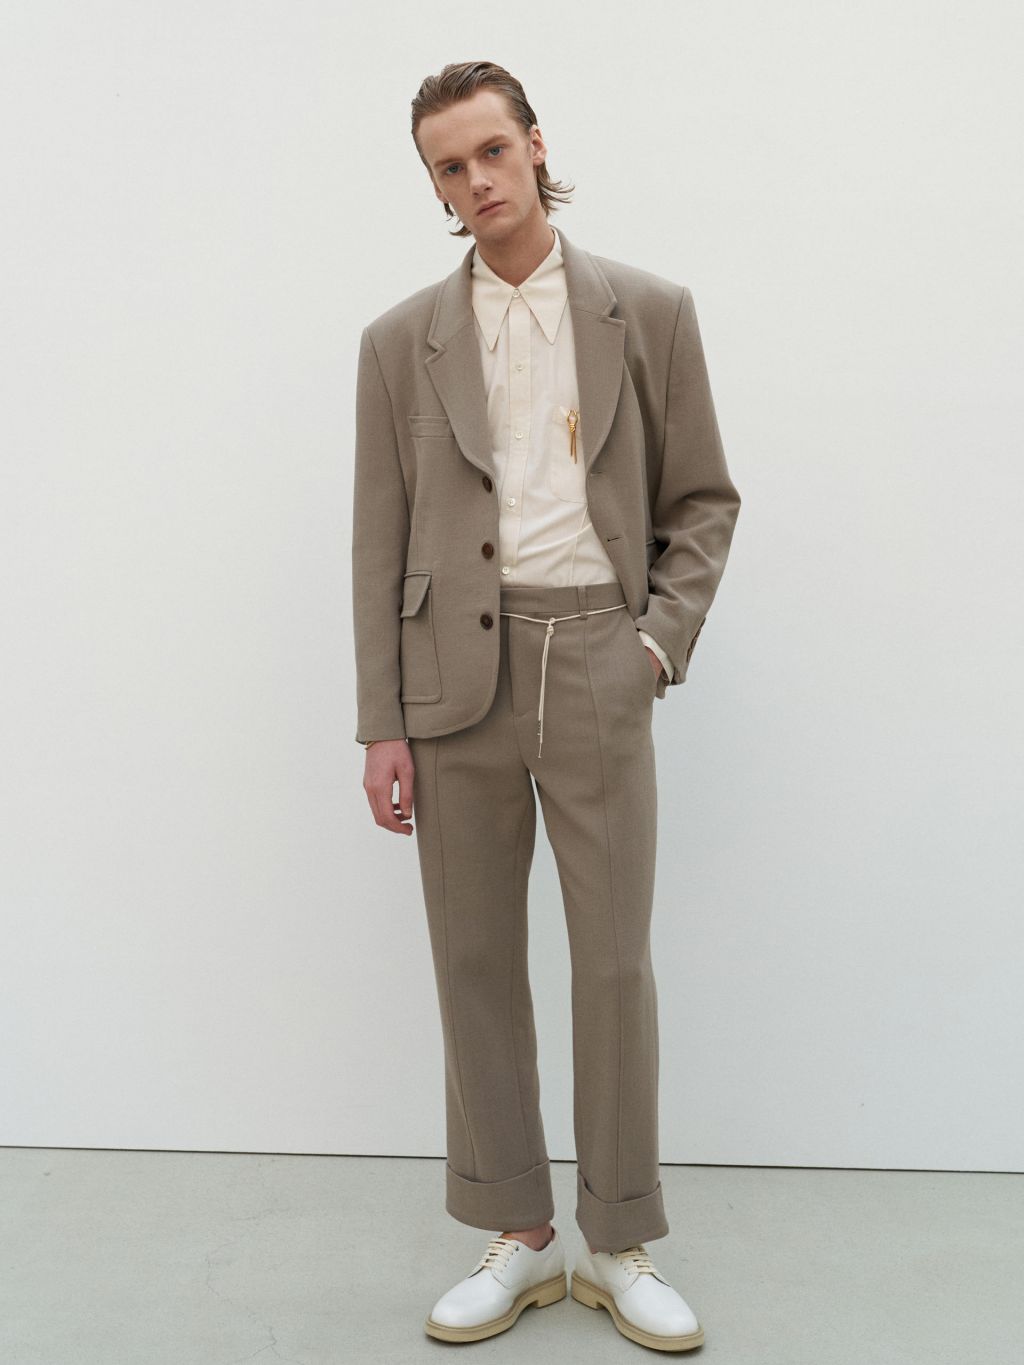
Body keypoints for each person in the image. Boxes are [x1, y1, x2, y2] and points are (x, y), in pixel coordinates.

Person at [351, 59, 741, 1350]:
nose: (476, 181)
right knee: (472, 958)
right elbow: (376, 539)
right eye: (448, 168)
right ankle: (517, 1235)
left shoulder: (649, 311)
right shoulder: (399, 342)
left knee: (613, 960)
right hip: (450, 682)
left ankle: (617, 1239)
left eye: (491, 151)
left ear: (534, 146)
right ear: (436, 188)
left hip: (596, 659)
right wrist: (382, 718)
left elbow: (703, 502)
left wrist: (654, 647)